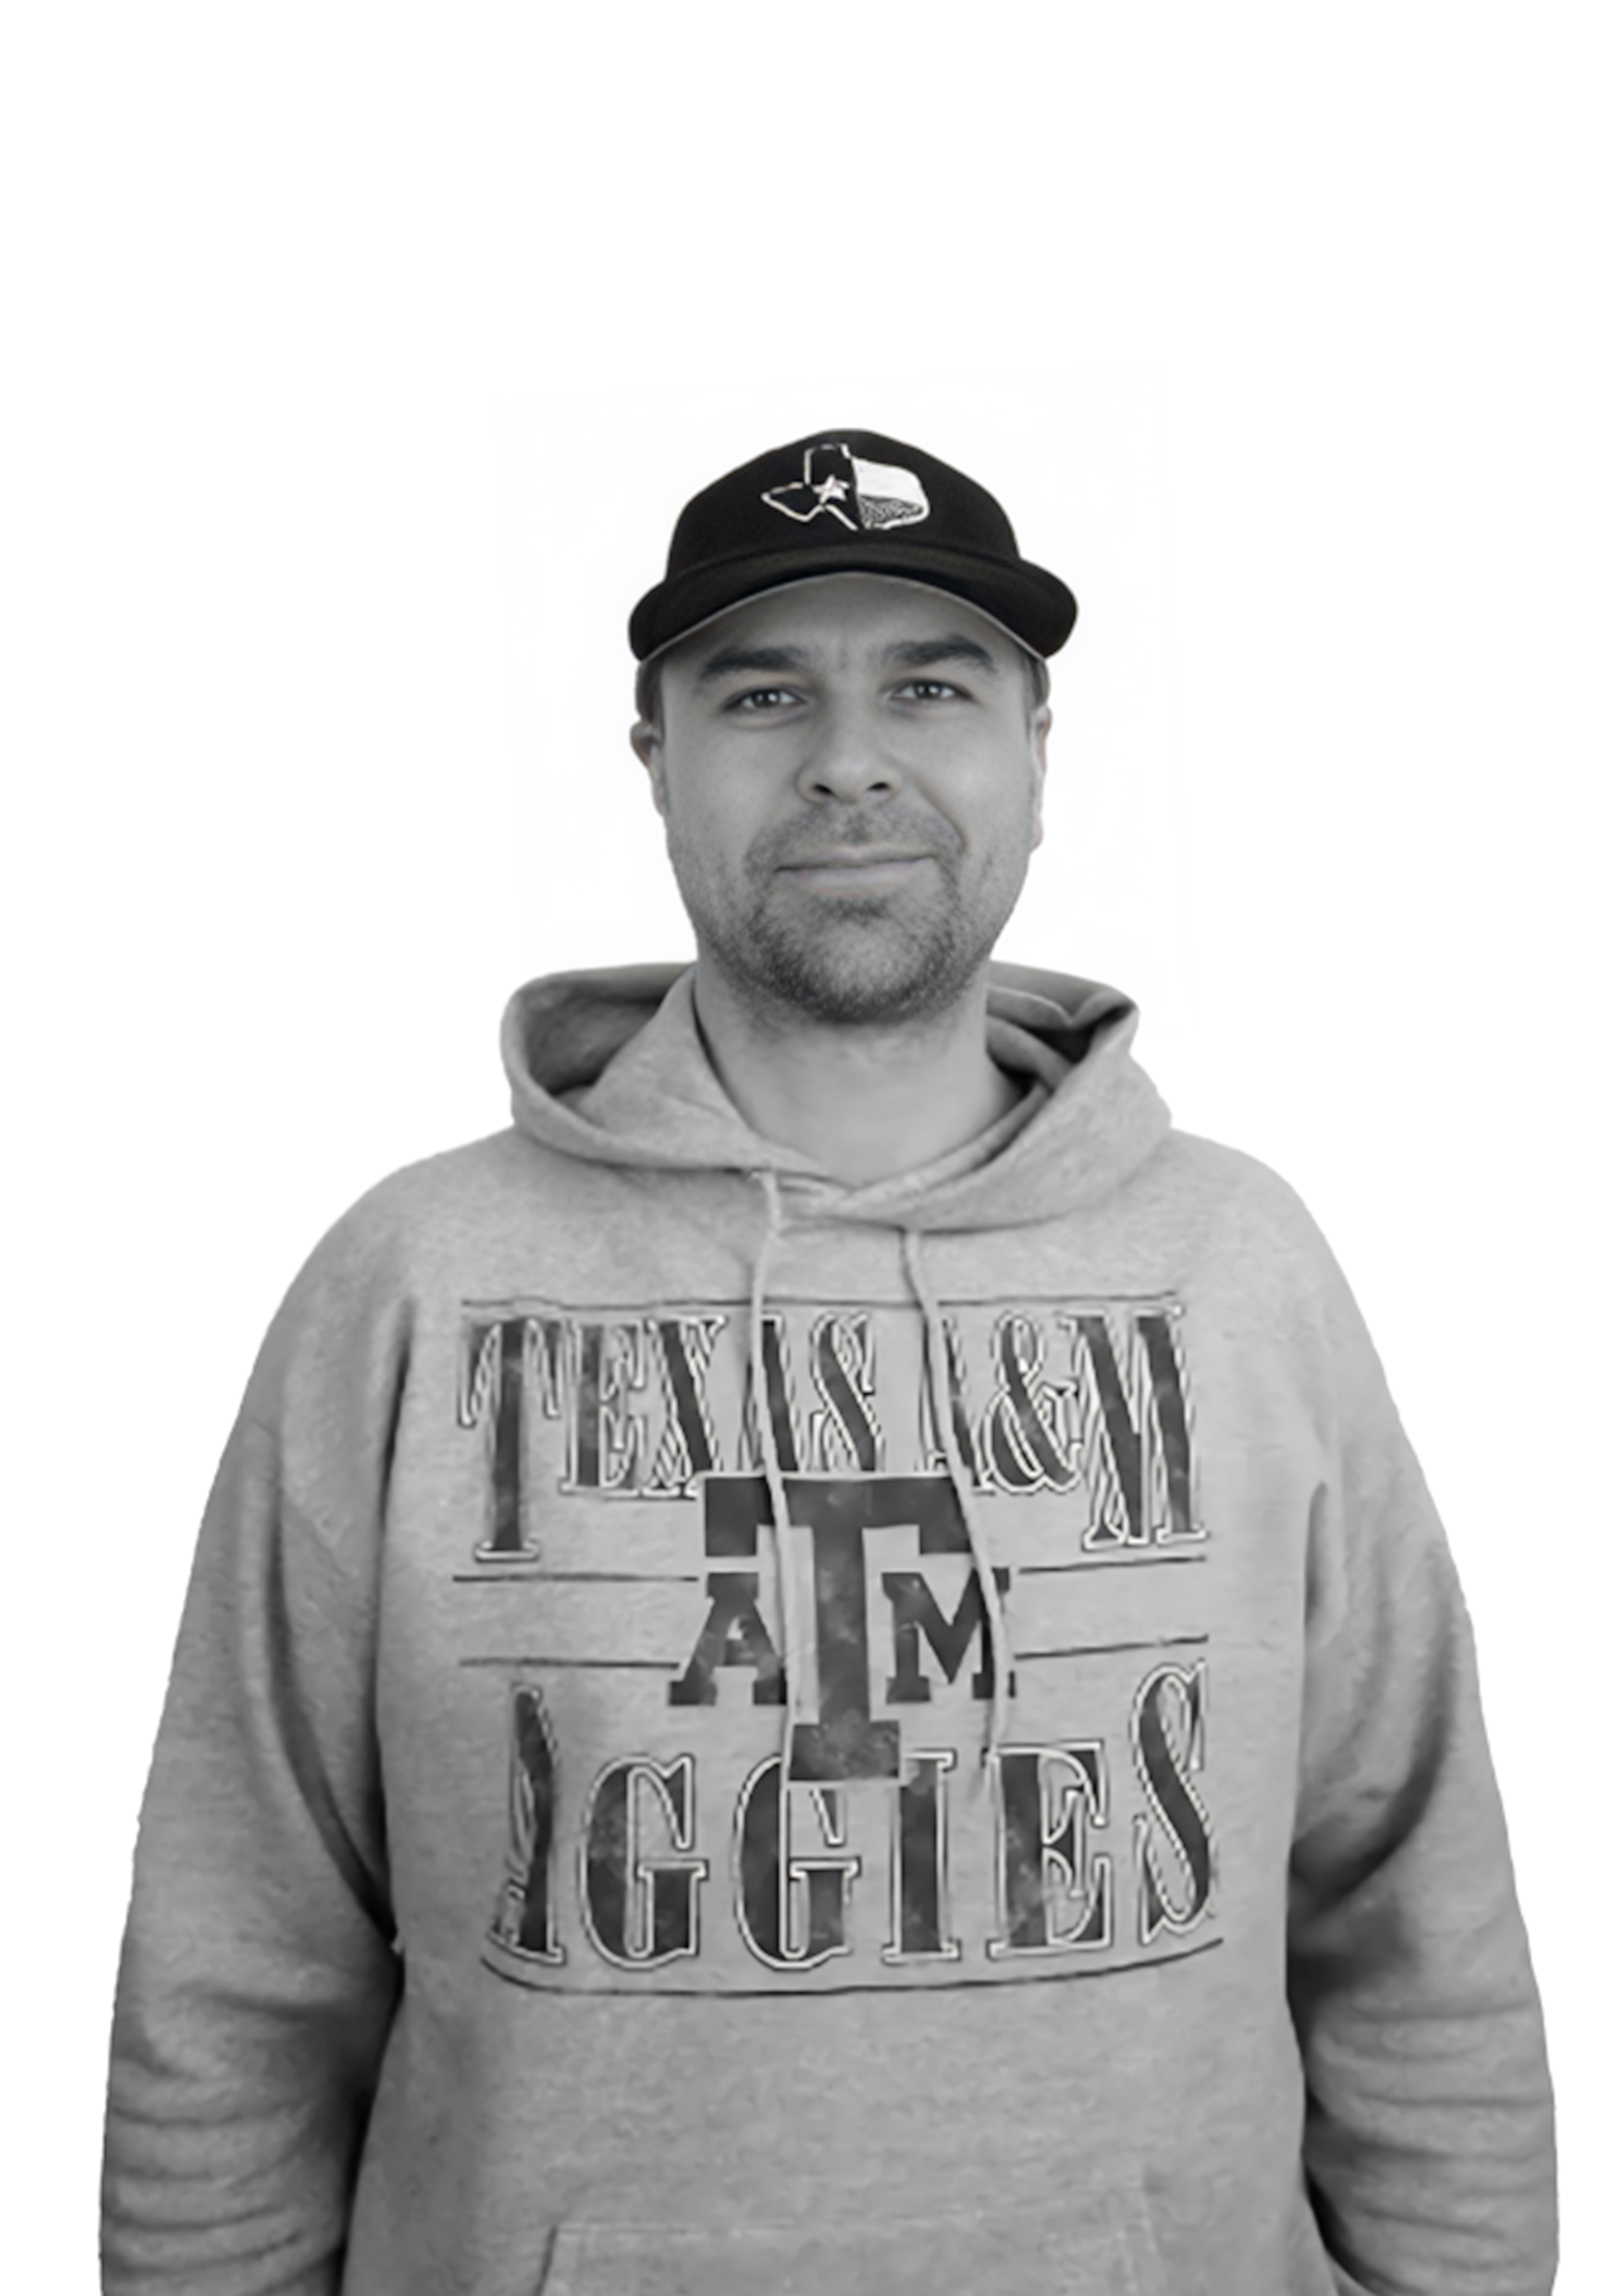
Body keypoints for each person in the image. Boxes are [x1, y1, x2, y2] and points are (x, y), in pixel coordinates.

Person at [103, 431, 1558, 2295]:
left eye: (927, 686)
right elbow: (238, 1960)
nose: (847, 756)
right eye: (763, 691)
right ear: (655, 762)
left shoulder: (1238, 1268)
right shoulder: (413, 1283)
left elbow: (1411, 1912)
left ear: (1034, 746)